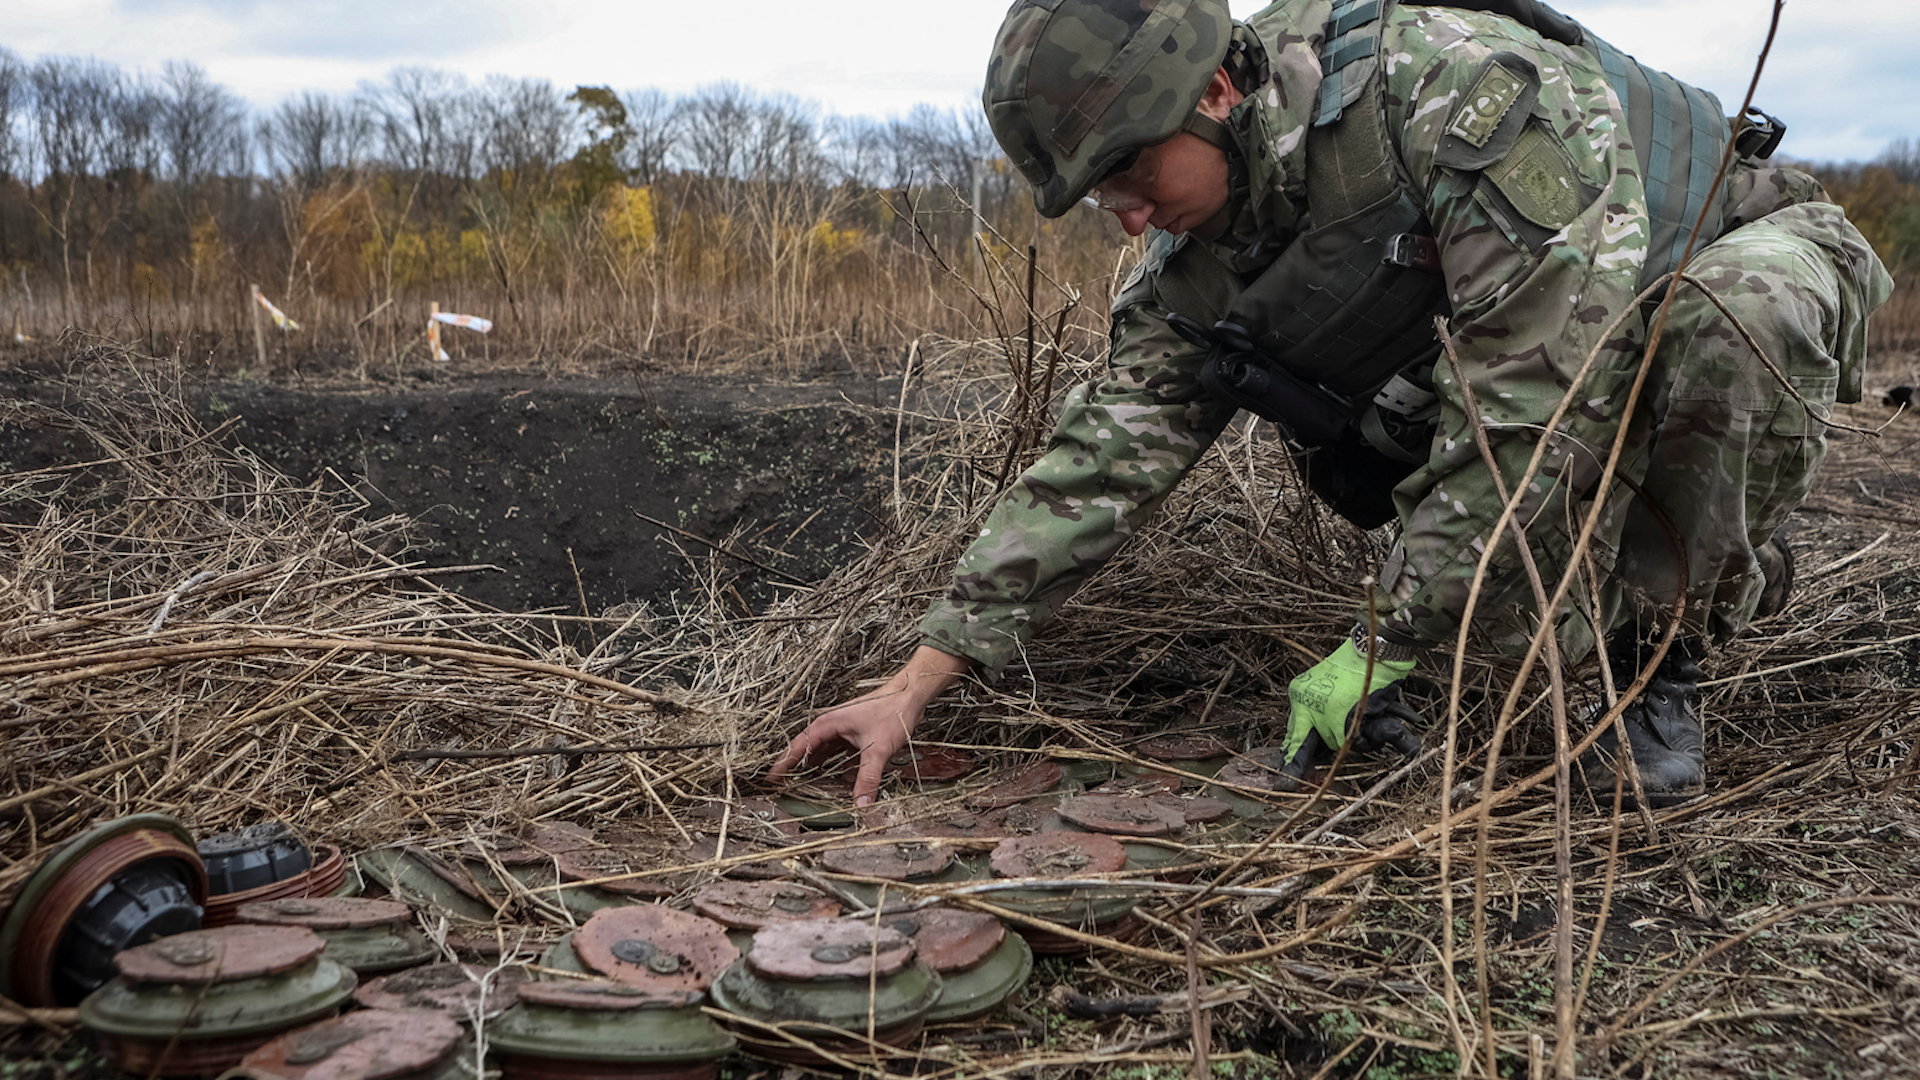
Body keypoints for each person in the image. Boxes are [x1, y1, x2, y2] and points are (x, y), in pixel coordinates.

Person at [771, 0, 1892, 808]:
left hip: (1725, 247)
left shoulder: (1449, 89)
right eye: (1099, 194)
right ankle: (1559, 609)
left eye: (1131, 171)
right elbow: (1099, 463)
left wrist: (1376, 648)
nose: (1125, 216)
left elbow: (1536, 404)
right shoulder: (1192, 271)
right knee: (1416, 463)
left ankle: (1659, 649)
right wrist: (918, 681)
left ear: (1215, 91)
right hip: (1556, 338)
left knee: (1738, 319)